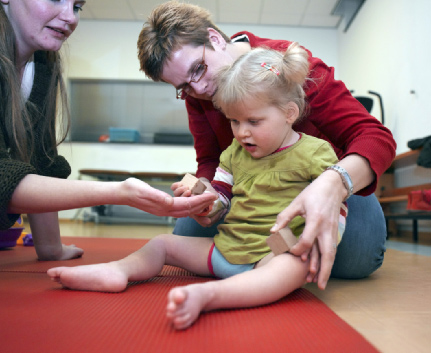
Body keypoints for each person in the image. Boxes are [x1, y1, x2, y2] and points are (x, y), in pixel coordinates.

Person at [47, 44, 348, 330]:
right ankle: (118, 271)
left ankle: (211, 296)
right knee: (162, 243)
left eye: (254, 121)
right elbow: (221, 199)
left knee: (294, 263)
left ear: (289, 114)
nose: (242, 132)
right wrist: (205, 201)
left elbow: (335, 207)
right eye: (234, 121)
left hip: (273, 252)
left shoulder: (316, 153)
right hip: (224, 248)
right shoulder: (233, 153)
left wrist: (324, 242)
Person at [137, 1, 396, 289]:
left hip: (327, 181)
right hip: (254, 192)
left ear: (214, 39)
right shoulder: (198, 94)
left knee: (358, 259)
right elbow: (210, 161)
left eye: (198, 69)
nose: (197, 90)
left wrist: (333, 184)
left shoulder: (289, 68)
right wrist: (207, 192)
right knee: (189, 230)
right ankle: (271, 263)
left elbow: (375, 137)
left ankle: (276, 260)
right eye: (183, 87)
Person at [0, 0, 216, 260]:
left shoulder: (42, 64)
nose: (70, 17)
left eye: (78, 7)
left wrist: (51, 249)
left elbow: (40, 160)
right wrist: (121, 193)